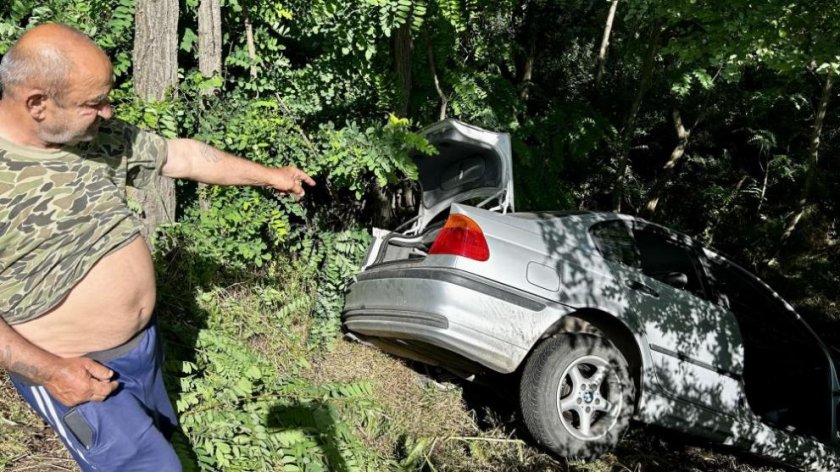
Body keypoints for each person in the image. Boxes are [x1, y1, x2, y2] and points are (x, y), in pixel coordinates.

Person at [0, 23, 315, 471]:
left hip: (142, 349)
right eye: (94, 103)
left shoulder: (90, 135)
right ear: (37, 103)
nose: (108, 112)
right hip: (75, 372)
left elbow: (179, 157)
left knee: (163, 437)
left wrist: (272, 176)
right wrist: (50, 372)